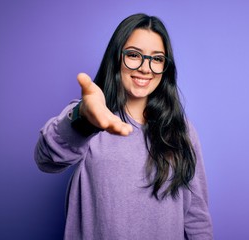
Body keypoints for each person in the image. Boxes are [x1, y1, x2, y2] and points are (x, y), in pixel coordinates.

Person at [34, 13, 213, 240]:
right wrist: (83, 121)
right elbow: (45, 159)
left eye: (156, 59)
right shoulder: (90, 117)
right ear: (116, 57)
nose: (145, 68)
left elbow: (197, 216)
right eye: (133, 55)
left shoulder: (181, 130)